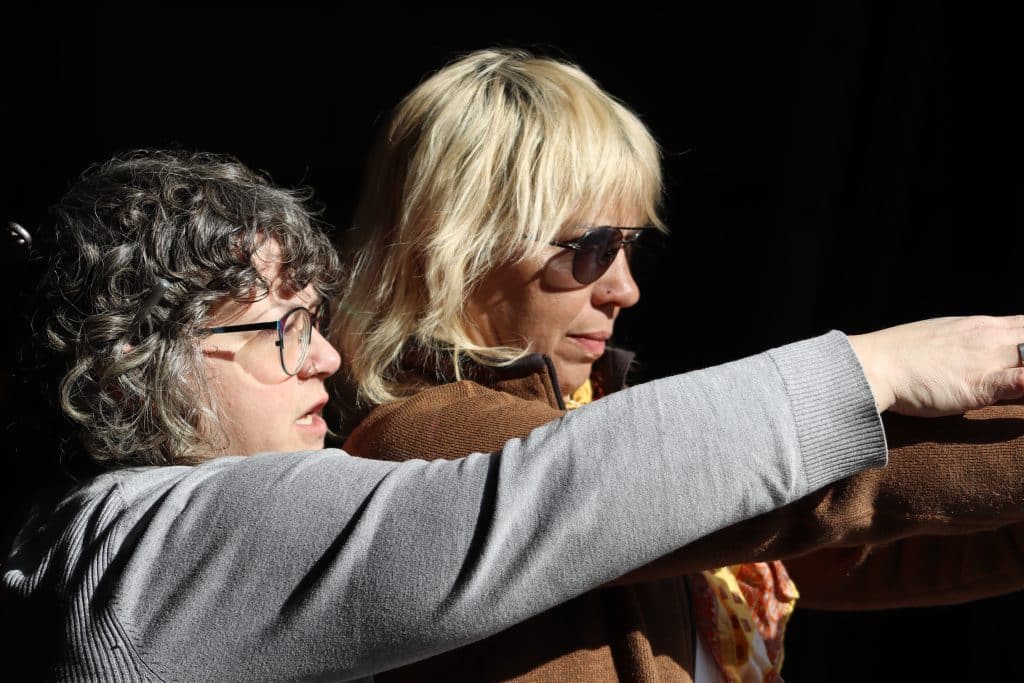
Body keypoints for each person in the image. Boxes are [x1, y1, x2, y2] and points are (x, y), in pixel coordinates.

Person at [1, 151, 1020, 682]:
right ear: (136, 362)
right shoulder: (151, 547)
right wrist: (880, 365)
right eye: (283, 329)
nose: (325, 355)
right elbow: (540, 497)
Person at [337, 49, 1024, 683]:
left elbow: (878, 541)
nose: (624, 289)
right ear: (457, 247)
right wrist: (883, 364)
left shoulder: (594, 419)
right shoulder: (417, 445)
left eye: (629, 247)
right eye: (591, 248)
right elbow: (809, 490)